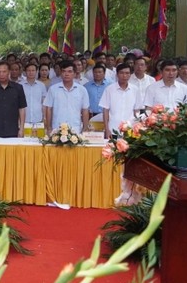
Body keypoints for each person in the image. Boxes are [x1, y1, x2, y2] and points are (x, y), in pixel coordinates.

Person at [100, 64, 144, 206]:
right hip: (113, 130)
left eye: (127, 73)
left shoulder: (135, 90)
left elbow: (137, 111)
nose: (124, 75)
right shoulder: (109, 89)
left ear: (130, 75)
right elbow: (105, 110)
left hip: (130, 131)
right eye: (121, 73)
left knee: (128, 162)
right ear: (117, 74)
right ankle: (111, 190)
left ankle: (127, 194)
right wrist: (106, 129)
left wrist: (138, 129)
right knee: (112, 161)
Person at [44, 60, 90, 134]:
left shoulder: (82, 90)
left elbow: (85, 110)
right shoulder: (53, 89)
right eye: (64, 71)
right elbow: (48, 109)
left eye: (70, 71)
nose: (66, 74)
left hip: (75, 129)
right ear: (61, 73)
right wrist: (49, 127)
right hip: (57, 129)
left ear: (75, 74)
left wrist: (85, 128)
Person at [21, 62, 47, 128]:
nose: (31, 72)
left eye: (33, 70)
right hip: (24, 119)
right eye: (29, 70)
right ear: (25, 72)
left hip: (38, 119)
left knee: (38, 138)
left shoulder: (41, 85)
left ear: (36, 72)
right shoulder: (20, 85)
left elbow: (44, 102)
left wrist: (44, 117)